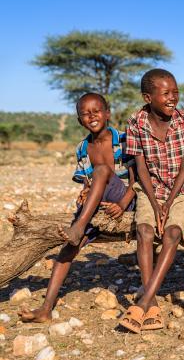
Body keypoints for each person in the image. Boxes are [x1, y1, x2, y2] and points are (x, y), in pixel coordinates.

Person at [19, 92, 135, 323]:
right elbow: (87, 184)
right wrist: (84, 194)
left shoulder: (124, 140)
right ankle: (46, 308)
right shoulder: (83, 148)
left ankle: (78, 227)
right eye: (85, 113)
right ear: (79, 119)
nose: (91, 116)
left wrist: (122, 204)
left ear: (108, 113)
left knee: (101, 170)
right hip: (100, 202)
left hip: (127, 198)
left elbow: (138, 180)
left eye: (96, 111)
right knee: (68, 249)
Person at [119, 69, 184, 333]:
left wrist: (167, 203)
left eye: (175, 92)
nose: (173, 98)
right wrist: (154, 203)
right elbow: (140, 168)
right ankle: (152, 305)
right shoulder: (135, 123)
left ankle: (145, 300)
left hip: (179, 189)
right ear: (148, 97)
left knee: (173, 233)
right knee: (144, 231)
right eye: (166, 93)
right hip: (149, 189)